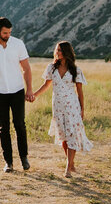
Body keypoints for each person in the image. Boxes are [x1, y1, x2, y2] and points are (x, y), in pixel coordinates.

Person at [29, 41, 92, 177]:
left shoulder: (76, 70)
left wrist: (82, 109)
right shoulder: (51, 68)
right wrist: (34, 95)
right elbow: (46, 85)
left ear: (66, 52)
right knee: (63, 136)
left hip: (72, 106)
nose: (57, 53)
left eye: (60, 51)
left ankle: (68, 168)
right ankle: (71, 163)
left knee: (72, 134)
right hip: (57, 106)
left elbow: (80, 92)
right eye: (56, 50)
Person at [0, 17, 34, 173]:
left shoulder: (18, 44)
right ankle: (8, 162)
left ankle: (24, 158)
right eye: (4, 32)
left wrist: (29, 89)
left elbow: (26, 68)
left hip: (17, 90)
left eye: (9, 32)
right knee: (4, 128)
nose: (7, 35)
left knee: (20, 125)